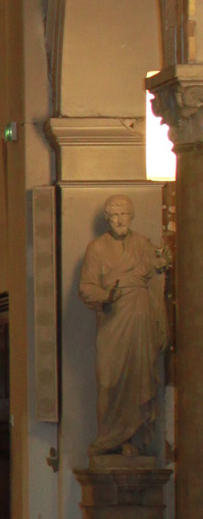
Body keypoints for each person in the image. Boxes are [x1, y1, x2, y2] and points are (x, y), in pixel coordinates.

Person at [77, 192, 169, 456]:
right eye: (114, 215)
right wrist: (107, 296)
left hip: (140, 317)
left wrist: (162, 264)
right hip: (114, 319)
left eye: (124, 214)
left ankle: (133, 439)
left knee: (139, 375)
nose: (120, 220)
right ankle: (108, 438)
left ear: (131, 216)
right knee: (109, 380)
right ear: (108, 219)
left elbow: (156, 281)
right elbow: (86, 287)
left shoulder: (143, 244)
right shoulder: (97, 248)